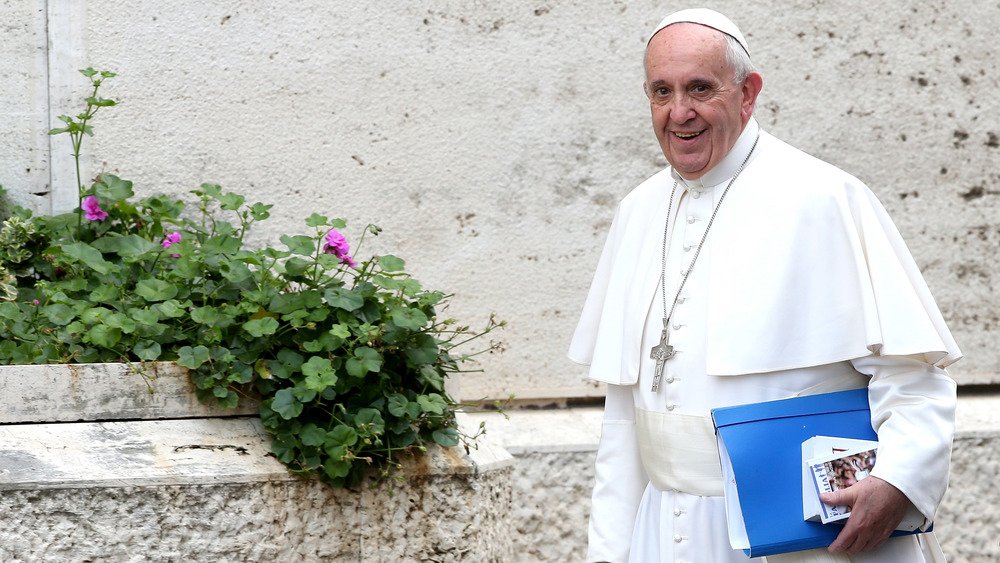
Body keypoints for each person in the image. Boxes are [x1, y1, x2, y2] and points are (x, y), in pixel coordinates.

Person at [568, 8, 961, 563]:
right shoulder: (637, 212)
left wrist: (897, 482)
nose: (680, 113)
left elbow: (913, 377)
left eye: (700, 89)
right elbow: (622, 421)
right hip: (666, 535)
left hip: (807, 541)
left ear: (747, 93)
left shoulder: (824, 198)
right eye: (662, 92)